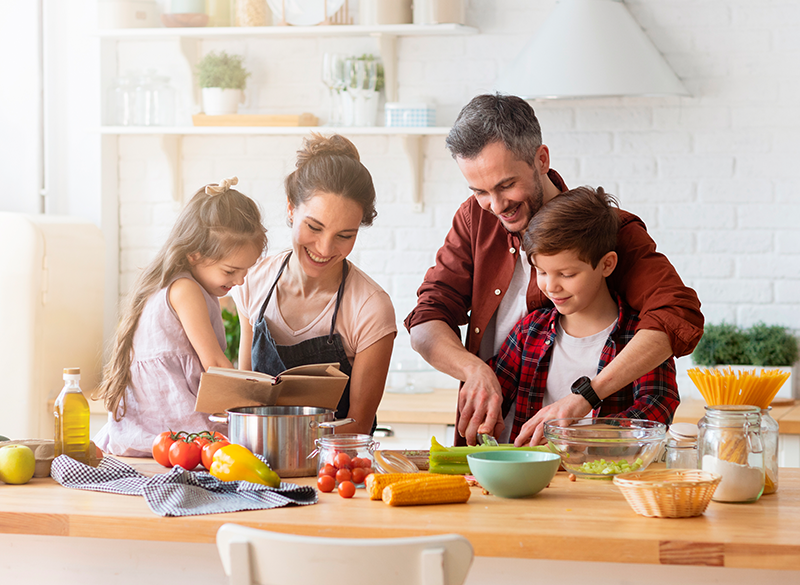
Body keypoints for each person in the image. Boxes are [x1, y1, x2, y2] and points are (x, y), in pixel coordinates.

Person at [404, 93, 703, 446]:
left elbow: (676, 314)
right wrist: (474, 370)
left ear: (541, 159)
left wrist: (585, 400)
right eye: (479, 191)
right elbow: (426, 320)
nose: (496, 206)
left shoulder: (606, 230)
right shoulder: (475, 218)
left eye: (506, 185)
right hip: (501, 449)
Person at [232, 134, 396, 435]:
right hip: (258, 465)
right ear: (291, 209)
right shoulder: (252, 282)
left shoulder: (370, 308)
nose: (324, 248)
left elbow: (358, 426)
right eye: (314, 227)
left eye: (344, 236)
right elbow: (246, 400)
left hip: (334, 469)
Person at [492, 186, 679, 446]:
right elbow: (494, 396)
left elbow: (656, 409)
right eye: (541, 272)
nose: (551, 287)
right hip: (532, 479)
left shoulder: (640, 338)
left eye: (567, 274)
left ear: (606, 264)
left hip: (606, 479)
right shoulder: (528, 332)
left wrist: (580, 437)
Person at [95, 177, 267, 456]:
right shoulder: (185, 289)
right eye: (230, 271)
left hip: (152, 430)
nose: (240, 280)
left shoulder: (177, 283)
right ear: (194, 255)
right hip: (174, 427)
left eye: (245, 271)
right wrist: (252, 406)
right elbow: (213, 363)